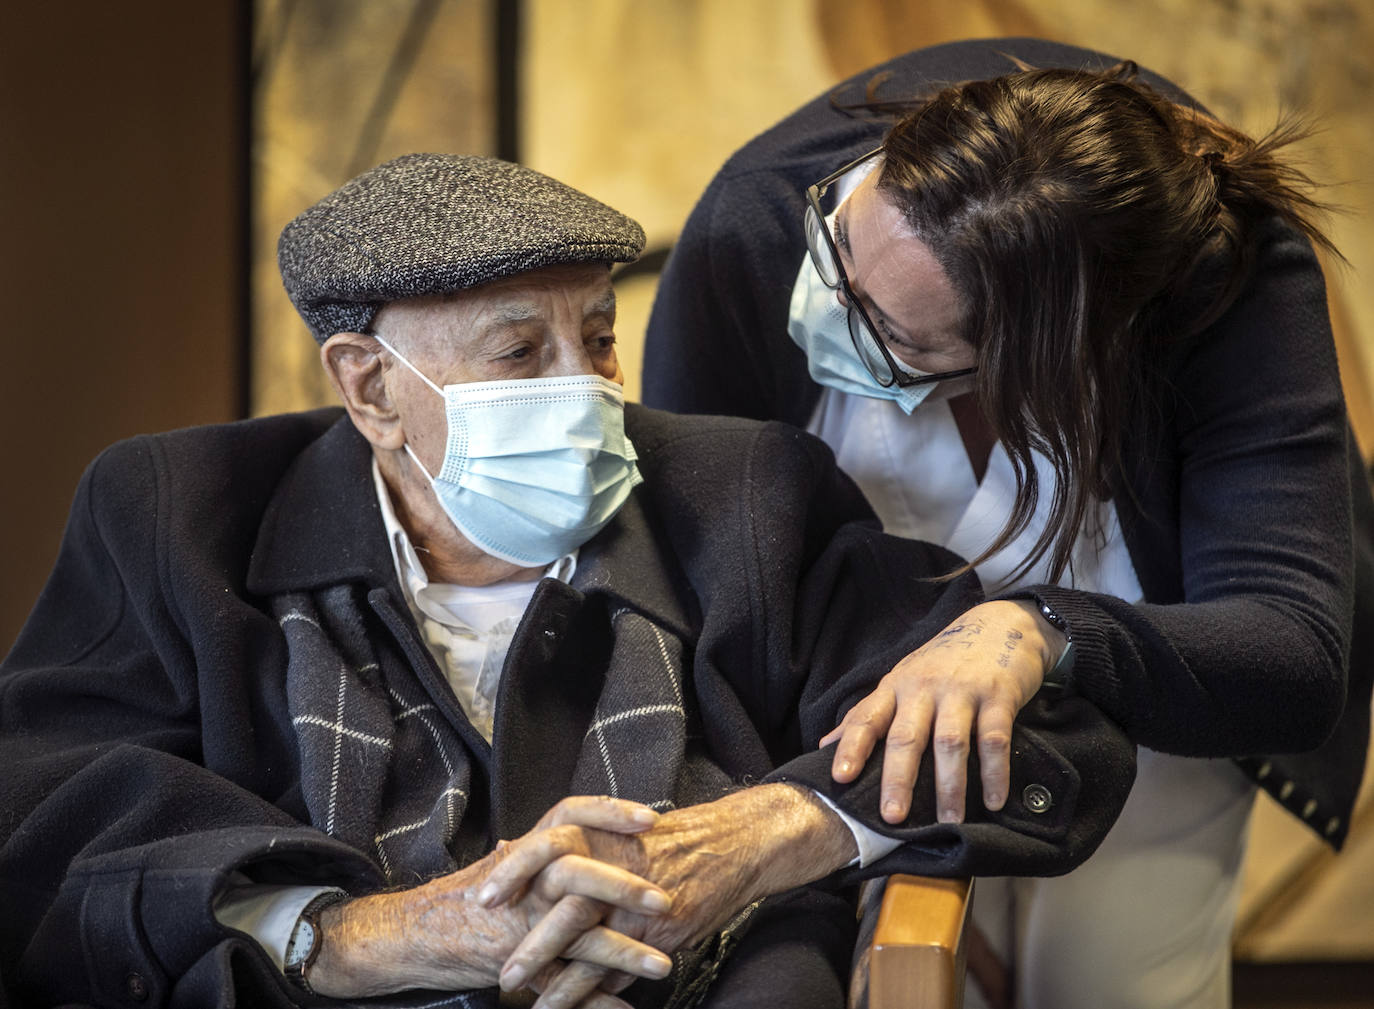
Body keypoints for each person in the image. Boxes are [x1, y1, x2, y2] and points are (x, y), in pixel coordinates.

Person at [0, 153, 1134, 1009]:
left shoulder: (744, 496)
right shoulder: (176, 514)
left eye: (596, 337)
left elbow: (1049, 737)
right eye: (516, 353)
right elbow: (41, 832)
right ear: (369, 388)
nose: (583, 386)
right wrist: (370, 933)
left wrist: (759, 836)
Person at [643, 37, 1374, 1009]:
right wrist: (865, 844)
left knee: (1114, 984)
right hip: (846, 713)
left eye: (892, 334)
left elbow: (1290, 654)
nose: (824, 306)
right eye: (843, 244)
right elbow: (715, 594)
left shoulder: (1224, 286)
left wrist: (1037, 627)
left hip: (1154, 705)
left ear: (1047, 363)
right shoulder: (762, 224)